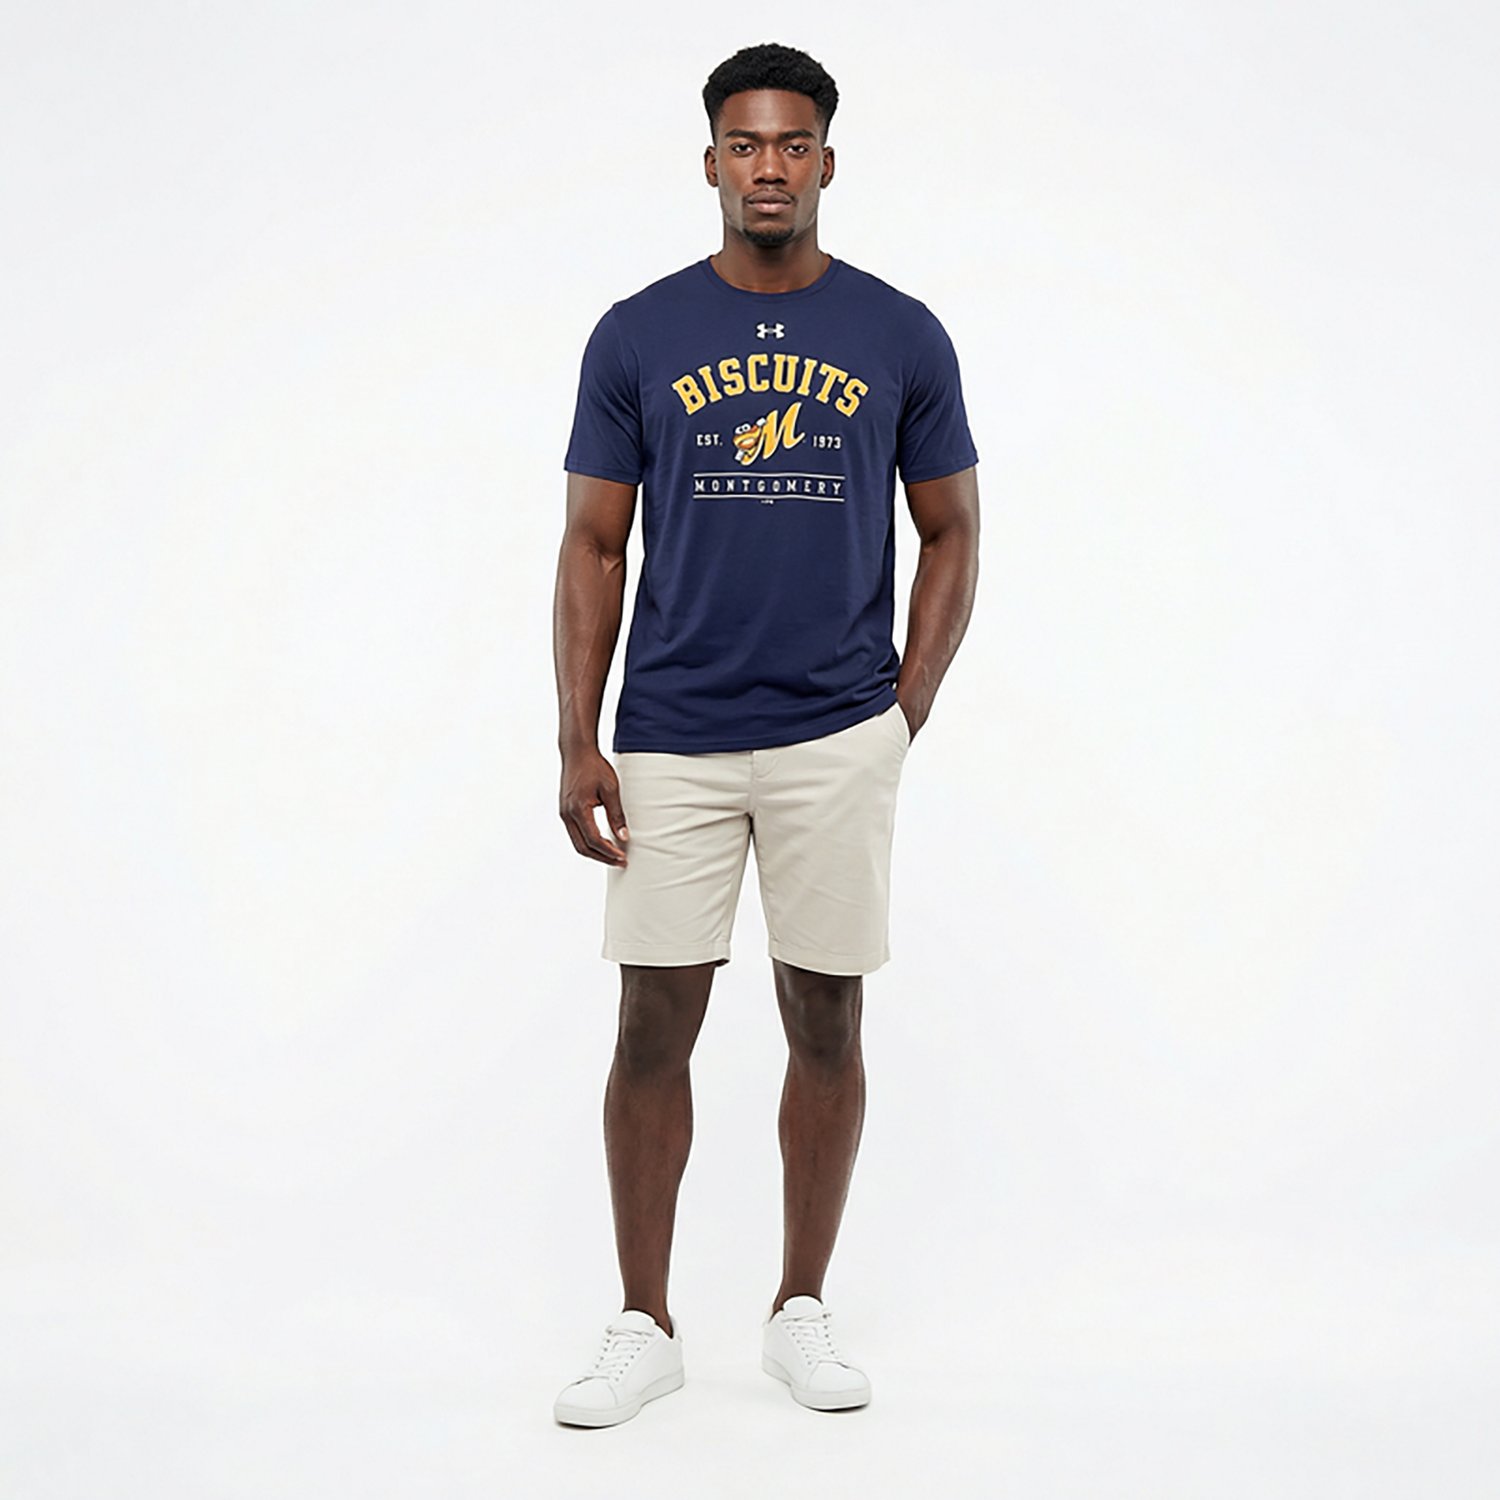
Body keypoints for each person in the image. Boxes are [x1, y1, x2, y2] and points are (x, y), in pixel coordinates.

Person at [551, 41, 980, 1427]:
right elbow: (593, 543)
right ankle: (645, 1323)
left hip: (835, 734)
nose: (771, 167)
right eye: (746, 145)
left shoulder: (899, 333)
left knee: (827, 1016)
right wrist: (577, 738)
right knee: (650, 1023)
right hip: (672, 733)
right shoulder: (638, 334)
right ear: (711, 164)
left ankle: (801, 1306)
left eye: (794, 144)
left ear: (827, 161)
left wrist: (902, 710)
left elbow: (954, 529)